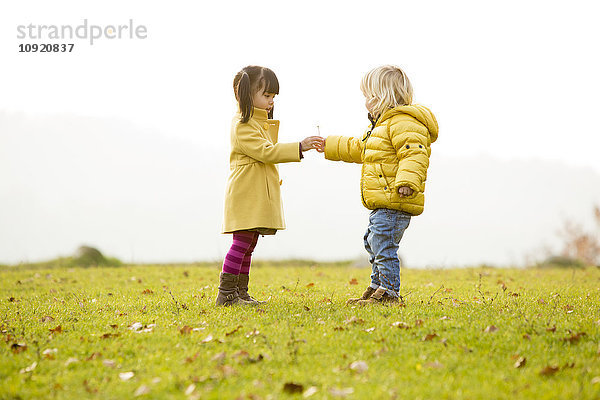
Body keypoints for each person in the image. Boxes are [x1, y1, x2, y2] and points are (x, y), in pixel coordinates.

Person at [318, 65, 438, 305]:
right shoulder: (381, 126)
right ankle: (377, 288)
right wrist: (329, 145)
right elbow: (360, 148)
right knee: (373, 242)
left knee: (383, 244)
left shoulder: (403, 123)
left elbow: (415, 154)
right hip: (383, 200)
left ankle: (390, 293)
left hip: (395, 197)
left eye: (370, 97)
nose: (366, 103)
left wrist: (406, 182)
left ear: (385, 97)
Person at [217, 65, 323, 306]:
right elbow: (266, 152)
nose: (271, 101)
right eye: (266, 95)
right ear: (246, 94)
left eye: (273, 97)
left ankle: (240, 292)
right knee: (241, 241)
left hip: (254, 191)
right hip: (246, 192)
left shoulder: (255, 122)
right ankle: (227, 293)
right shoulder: (243, 124)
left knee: (249, 242)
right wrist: (300, 146)